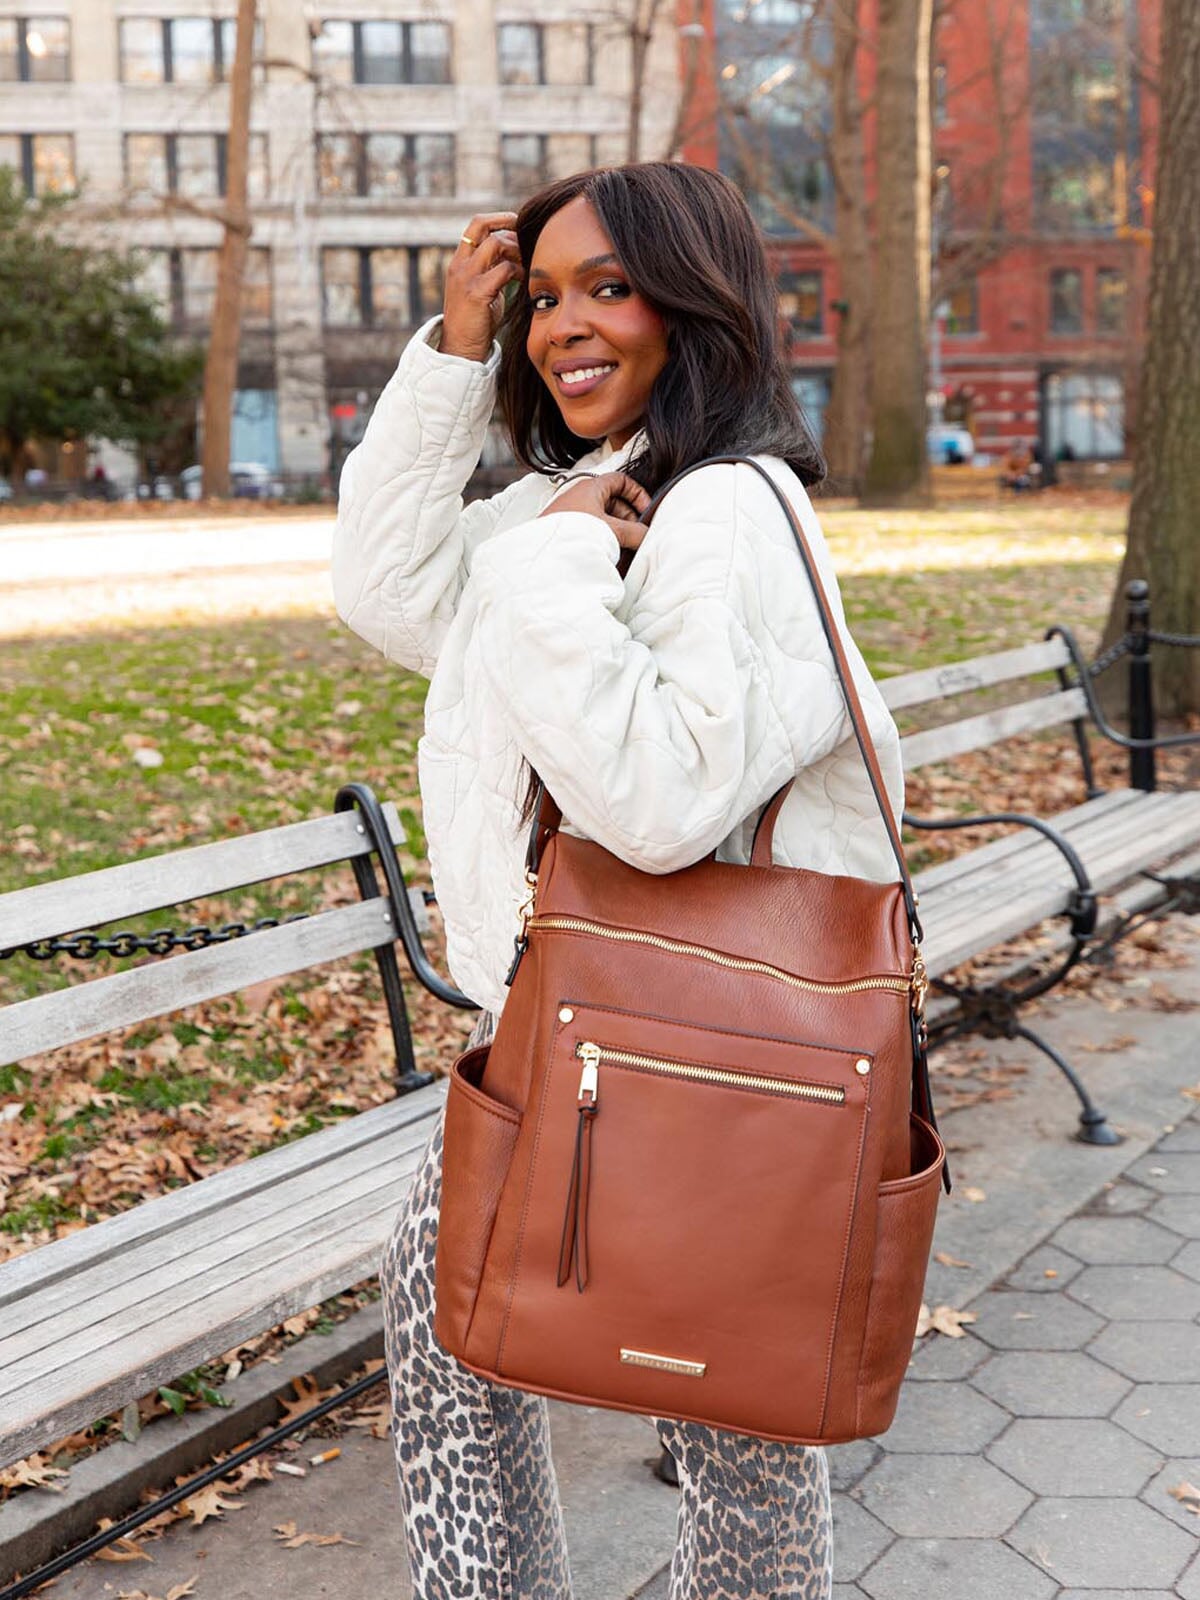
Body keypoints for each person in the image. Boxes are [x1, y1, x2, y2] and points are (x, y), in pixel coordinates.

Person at [332, 162, 905, 1600]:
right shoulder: (598, 490)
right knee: (495, 1345)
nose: (562, 327)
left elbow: (655, 804)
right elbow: (391, 593)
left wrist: (560, 555)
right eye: (543, 298)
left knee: (731, 1421)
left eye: (607, 287)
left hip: (690, 1042)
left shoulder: (715, 510)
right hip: (596, 1027)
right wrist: (457, 358)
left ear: (693, 302)